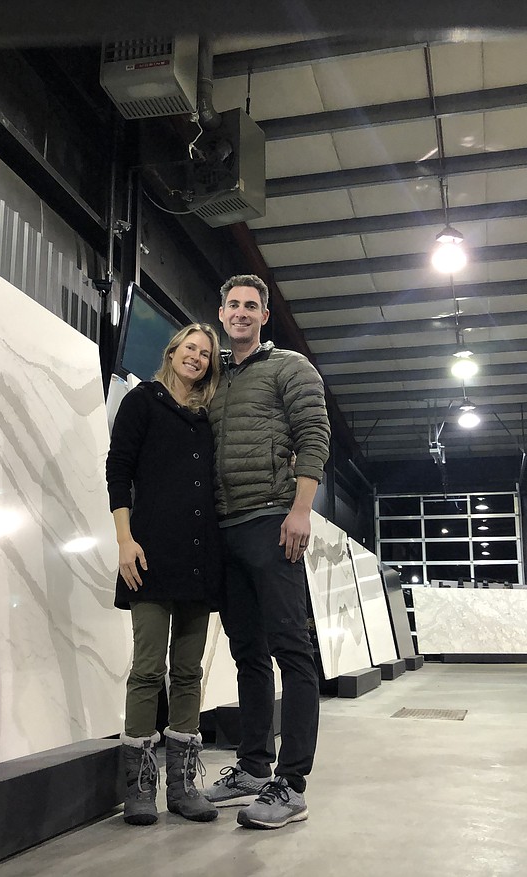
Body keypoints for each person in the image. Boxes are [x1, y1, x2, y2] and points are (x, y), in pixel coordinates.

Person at [202, 274, 330, 830]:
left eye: (252, 306)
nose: (242, 313)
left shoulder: (290, 368)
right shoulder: (214, 380)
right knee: (247, 654)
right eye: (234, 305)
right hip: (225, 531)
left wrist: (300, 510)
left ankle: (292, 784)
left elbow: (314, 437)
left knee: (291, 652)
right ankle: (253, 767)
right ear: (222, 312)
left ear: (264, 316)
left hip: (273, 522)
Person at [105, 323, 224, 826]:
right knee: (148, 669)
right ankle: (138, 787)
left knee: (189, 672)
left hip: (198, 560)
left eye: (205, 353)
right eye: (190, 348)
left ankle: (180, 786)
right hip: (149, 557)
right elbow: (118, 470)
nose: (196, 357)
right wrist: (124, 540)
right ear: (172, 351)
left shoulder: (207, 417)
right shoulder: (143, 401)